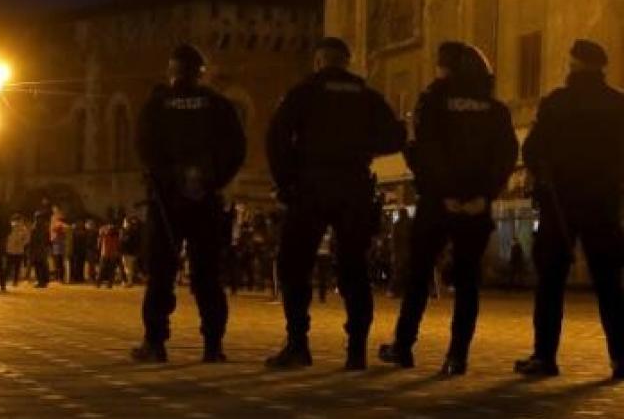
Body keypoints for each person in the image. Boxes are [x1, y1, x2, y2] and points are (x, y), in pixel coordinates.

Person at [377, 42, 518, 375]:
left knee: (419, 275)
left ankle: (403, 345)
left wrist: (443, 193)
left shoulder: (433, 101)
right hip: (476, 206)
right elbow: (506, 156)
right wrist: (484, 195)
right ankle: (457, 356)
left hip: (438, 203)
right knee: (468, 282)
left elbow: (424, 150)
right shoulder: (495, 109)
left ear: (448, 68)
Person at [265, 37, 406, 370]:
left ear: (318, 62)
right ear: (347, 63)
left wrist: (286, 181)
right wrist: (360, 147)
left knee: (294, 265)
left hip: (310, 188)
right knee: (354, 268)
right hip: (354, 187)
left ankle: (298, 344)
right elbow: (396, 136)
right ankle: (356, 351)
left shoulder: (303, 94)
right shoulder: (367, 97)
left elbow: (276, 138)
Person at [515, 39, 624, 379]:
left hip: (559, 204)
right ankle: (621, 358)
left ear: (573, 64)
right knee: (610, 285)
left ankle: (544, 357)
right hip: (603, 204)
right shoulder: (618, 103)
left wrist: (547, 175)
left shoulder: (556, 103)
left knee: (550, 283)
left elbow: (531, 150)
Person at [132, 43, 246, 363]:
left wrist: (170, 180)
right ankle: (213, 345)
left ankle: (154, 343)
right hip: (206, 201)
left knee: (161, 274)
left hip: (167, 201)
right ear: (201, 73)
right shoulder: (218, 104)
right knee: (208, 275)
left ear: (172, 71)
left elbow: (144, 150)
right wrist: (211, 181)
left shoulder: (157, 105)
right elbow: (237, 149)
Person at [6, 214, 30, 287]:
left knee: (9, 266)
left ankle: (5, 279)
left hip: (10, 249)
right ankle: (15, 281)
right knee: (16, 266)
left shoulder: (10, 227)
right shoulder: (23, 228)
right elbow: (27, 239)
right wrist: (23, 243)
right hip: (19, 250)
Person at [97, 221, 122, 288]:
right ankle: (102, 283)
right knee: (104, 270)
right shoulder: (106, 234)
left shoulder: (113, 235)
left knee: (107, 270)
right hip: (106, 253)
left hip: (109, 254)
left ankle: (104, 283)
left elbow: (118, 245)